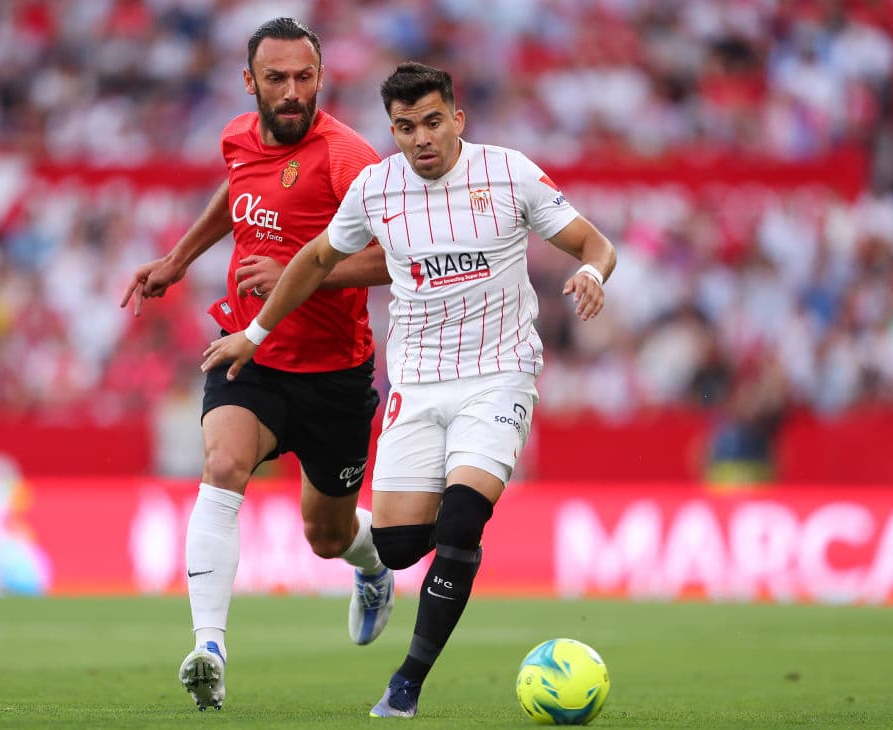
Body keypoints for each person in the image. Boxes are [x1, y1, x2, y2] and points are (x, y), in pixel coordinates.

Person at [201, 61, 618, 718]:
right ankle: (378, 574)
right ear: (392, 130)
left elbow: (595, 242)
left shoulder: (510, 174)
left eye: (431, 122)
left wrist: (593, 271)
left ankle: (406, 685)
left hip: (497, 374)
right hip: (417, 384)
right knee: (397, 547)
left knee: (460, 520)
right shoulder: (376, 188)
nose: (420, 139)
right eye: (404, 127)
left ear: (457, 119)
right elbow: (315, 260)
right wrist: (254, 334)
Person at [119, 18, 395, 712]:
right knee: (221, 467)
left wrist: (303, 277)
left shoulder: (348, 158)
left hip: (335, 372)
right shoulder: (238, 137)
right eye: (277, 78)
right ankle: (208, 646)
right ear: (251, 82)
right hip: (253, 355)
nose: (292, 90)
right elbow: (236, 194)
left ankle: (371, 568)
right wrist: (179, 259)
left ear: (320, 78)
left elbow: (395, 256)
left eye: (304, 77)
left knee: (326, 536)